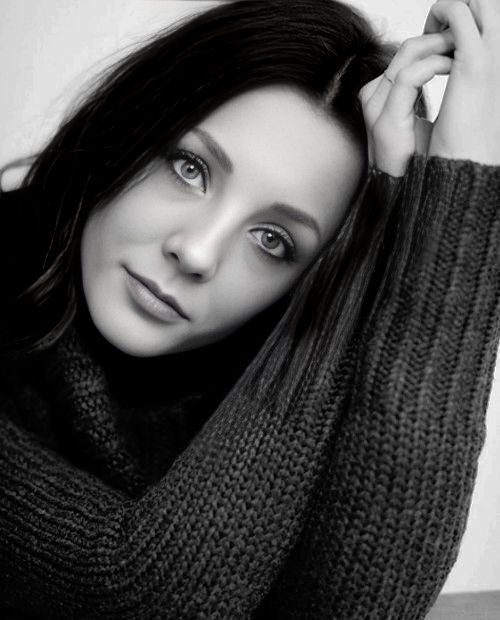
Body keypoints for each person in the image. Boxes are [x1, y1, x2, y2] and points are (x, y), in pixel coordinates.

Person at [0, 0, 499, 617]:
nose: (197, 253)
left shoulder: (281, 394)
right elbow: (145, 594)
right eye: (190, 168)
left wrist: (446, 221)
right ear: (130, 127)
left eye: (273, 240)